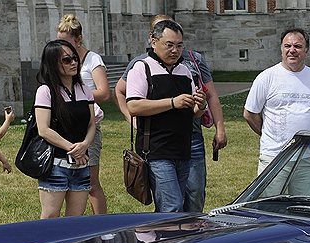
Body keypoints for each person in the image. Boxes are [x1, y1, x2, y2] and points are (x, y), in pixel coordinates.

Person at [116, 15, 226, 212]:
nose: (175, 50)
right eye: (169, 45)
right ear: (154, 41)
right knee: (171, 207)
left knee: (188, 204)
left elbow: (192, 114)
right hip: (157, 150)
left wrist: (199, 106)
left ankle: (183, 240)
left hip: (183, 149)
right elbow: (133, 106)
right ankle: (167, 241)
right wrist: (173, 102)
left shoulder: (184, 71)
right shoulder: (142, 68)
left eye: (179, 45)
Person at [244, 28, 310, 175]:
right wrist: (268, 135)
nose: (292, 50)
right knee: (271, 198)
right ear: (281, 49)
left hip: (305, 157)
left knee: (303, 199)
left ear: (306, 50)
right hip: (274, 157)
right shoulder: (266, 77)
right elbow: (250, 114)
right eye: (288, 46)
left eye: (298, 46)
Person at [33, 39, 97, 219]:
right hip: (56, 164)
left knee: (75, 221)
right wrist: (72, 148)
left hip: (82, 164)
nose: (74, 63)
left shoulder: (84, 89)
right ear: (53, 64)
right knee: (50, 217)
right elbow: (43, 129)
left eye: (75, 58)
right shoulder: (46, 91)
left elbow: (91, 124)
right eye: (67, 60)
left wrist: (84, 144)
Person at [57, 14, 111, 215]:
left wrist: (77, 96)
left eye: (66, 42)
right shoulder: (59, 60)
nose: (62, 46)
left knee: (90, 180)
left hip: (89, 124)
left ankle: (102, 226)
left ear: (78, 40)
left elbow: (104, 92)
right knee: (67, 179)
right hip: (66, 127)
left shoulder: (92, 59)